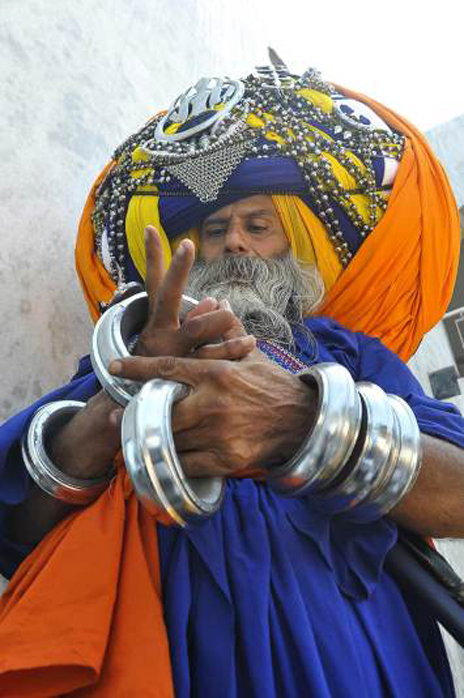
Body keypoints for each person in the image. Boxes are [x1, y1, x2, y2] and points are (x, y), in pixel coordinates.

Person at [0, 60, 463, 697]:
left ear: (297, 243)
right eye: (214, 229)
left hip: (352, 647)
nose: (234, 243)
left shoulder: (352, 355)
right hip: (174, 649)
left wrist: (300, 423)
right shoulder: (126, 352)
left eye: (258, 224)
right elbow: (17, 525)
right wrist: (127, 395)